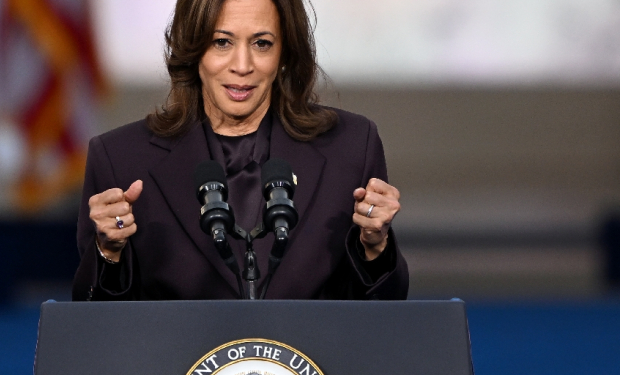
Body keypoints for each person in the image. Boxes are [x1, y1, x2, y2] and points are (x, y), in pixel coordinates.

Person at [72, 0, 408, 301]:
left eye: (262, 44)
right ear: (193, 49)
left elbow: (381, 323)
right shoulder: (122, 159)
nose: (243, 65)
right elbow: (96, 332)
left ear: (285, 53)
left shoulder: (349, 148)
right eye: (222, 42)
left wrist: (375, 248)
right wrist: (108, 253)